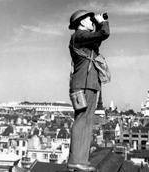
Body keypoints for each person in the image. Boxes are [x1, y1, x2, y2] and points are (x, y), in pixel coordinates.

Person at [67, 9, 110, 172]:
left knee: (87, 122)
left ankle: (81, 161)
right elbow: (104, 33)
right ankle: (75, 160)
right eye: (89, 19)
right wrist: (102, 22)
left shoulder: (85, 39)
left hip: (89, 83)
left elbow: (98, 39)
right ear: (81, 22)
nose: (92, 21)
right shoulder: (79, 36)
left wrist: (99, 25)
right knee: (81, 121)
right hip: (83, 84)